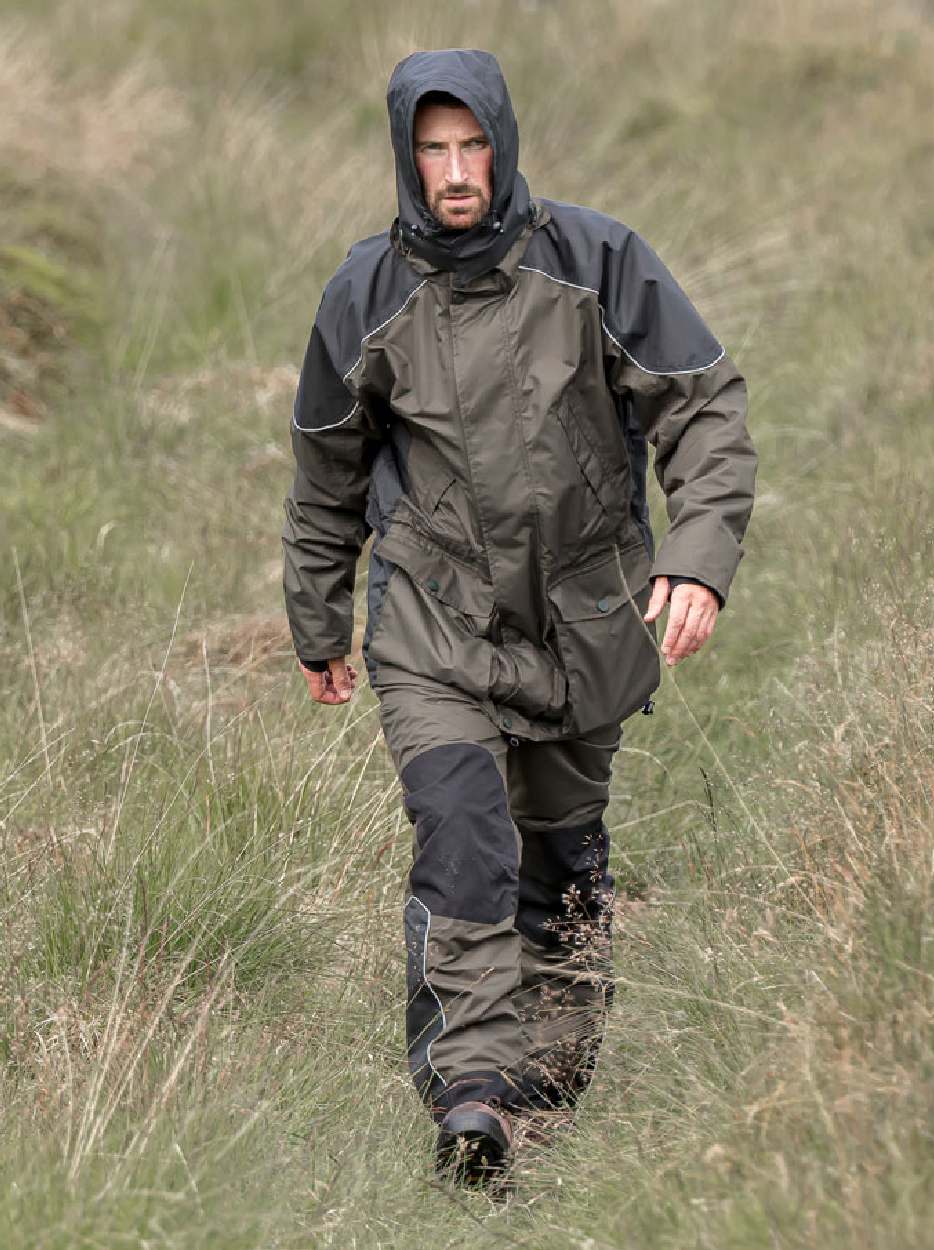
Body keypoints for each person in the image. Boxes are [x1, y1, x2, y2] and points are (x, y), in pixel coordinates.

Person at [281, 47, 756, 1184]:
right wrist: (317, 616)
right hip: (431, 625)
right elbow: (324, 470)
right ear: (405, 157)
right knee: (463, 841)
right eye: (432, 150)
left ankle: (543, 1090)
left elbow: (706, 408)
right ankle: (471, 1097)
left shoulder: (597, 260)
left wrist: (697, 556)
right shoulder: (364, 294)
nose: (454, 172)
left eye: (471, 145)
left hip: (586, 619)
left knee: (560, 862)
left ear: (503, 142)